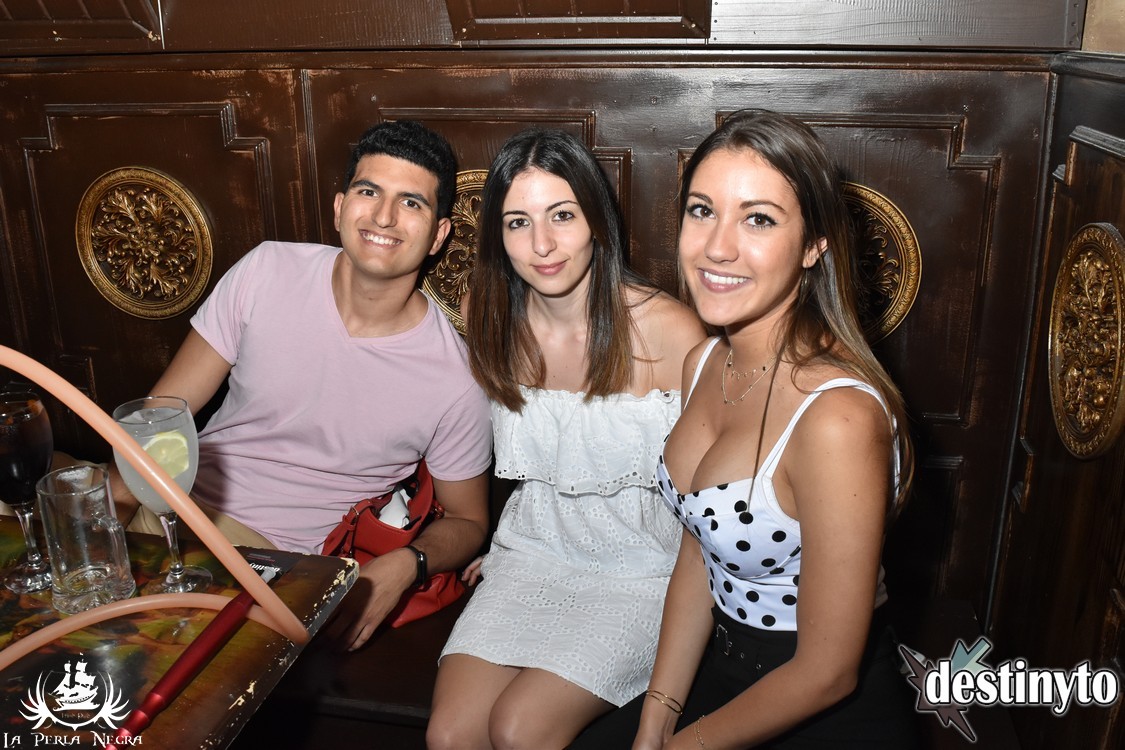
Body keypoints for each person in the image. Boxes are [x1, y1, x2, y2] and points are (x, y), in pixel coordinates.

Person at [571, 109, 919, 748]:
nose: (717, 246)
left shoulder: (838, 418)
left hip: (816, 709)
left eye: (758, 219)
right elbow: (699, 546)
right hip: (720, 668)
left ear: (814, 245)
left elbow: (827, 673)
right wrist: (656, 717)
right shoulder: (705, 361)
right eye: (702, 211)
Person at [115, 120, 493, 651]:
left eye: (411, 203)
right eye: (369, 192)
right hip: (170, 514)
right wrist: (109, 511)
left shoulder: (455, 377)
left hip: (277, 566)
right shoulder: (267, 270)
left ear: (438, 235)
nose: (384, 216)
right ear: (339, 208)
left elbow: (470, 519)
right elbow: (161, 411)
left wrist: (408, 563)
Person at [426, 129, 706, 750]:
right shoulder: (487, 315)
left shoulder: (669, 332)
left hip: (644, 571)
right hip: (532, 554)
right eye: (518, 223)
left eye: (562, 215)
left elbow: (713, 492)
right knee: (449, 736)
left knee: (519, 729)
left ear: (597, 221)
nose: (542, 245)